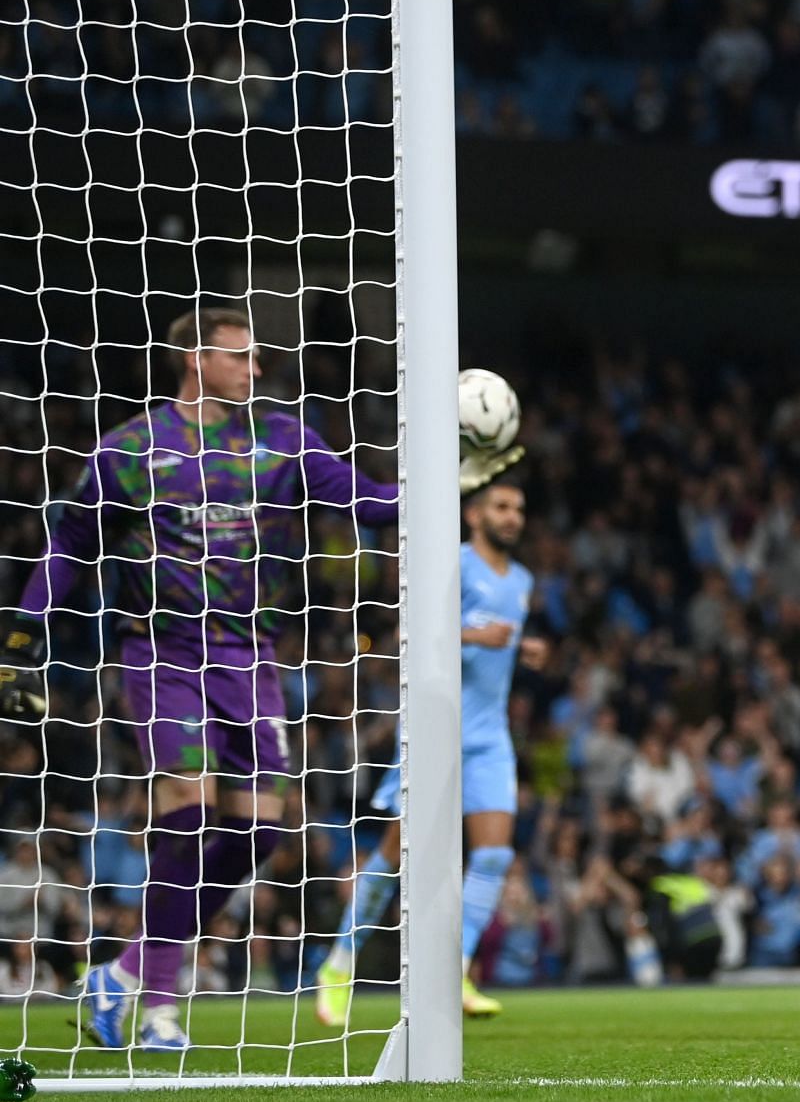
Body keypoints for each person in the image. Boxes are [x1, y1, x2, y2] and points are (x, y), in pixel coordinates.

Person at [0, 308, 407, 1051]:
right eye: (240, 358)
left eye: (257, 359)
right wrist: (22, 642)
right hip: (162, 653)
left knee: (262, 825)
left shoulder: (282, 441)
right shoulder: (130, 449)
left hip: (250, 657)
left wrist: (454, 477)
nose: (256, 370)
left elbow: (371, 504)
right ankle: (159, 1006)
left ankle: (120, 972)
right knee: (188, 809)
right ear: (193, 360)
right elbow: (67, 546)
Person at [315, 482, 546, 1024]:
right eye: (501, 507)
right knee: (399, 854)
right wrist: (473, 636)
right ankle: (339, 962)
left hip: (488, 737)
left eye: (519, 508)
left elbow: (497, 640)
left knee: (492, 855)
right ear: (473, 513)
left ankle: (456, 970)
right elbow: (406, 635)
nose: (513, 517)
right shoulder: (455, 564)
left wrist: (522, 646)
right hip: (435, 727)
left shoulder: (523, 581)